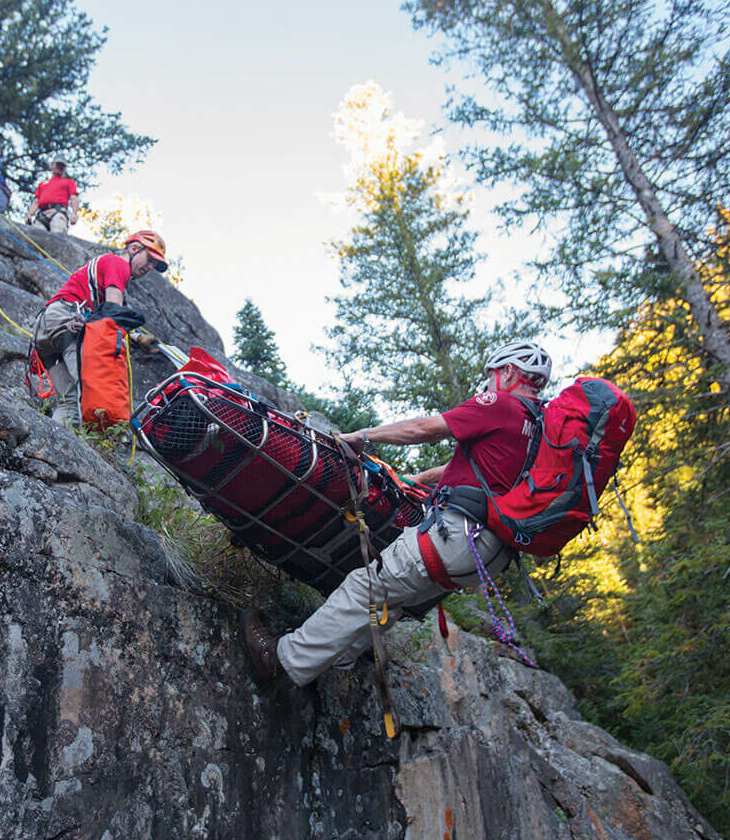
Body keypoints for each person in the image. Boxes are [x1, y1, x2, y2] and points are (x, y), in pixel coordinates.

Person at [242, 341, 554, 687]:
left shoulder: (500, 403)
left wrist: (361, 437)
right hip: (487, 556)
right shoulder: (538, 426)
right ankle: (340, 660)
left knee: (366, 587)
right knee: (394, 600)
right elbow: (481, 465)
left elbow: (425, 429)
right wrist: (420, 479)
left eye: (493, 375)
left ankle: (281, 660)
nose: (489, 384)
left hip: (456, 536)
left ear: (508, 371)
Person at [31, 231, 168, 427]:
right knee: (90, 392)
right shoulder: (118, 264)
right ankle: (91, 446)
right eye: (149, 259)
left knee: (70, 401)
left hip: (45, 332)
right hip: (66, 324)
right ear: (135, 248)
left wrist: (138, 338)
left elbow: (110, 314)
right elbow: (113, 313)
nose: (150, 267)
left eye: (155, 265)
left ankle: (50, 441)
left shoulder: (107, 266)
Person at [26, 159, 80, 234]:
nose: (60, 167)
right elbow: (36, 202)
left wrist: (74, 214)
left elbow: (74, 198)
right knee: (36, 238)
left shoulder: (68, 182)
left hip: (58, 212)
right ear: (52, 165)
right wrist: (30, 214)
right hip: (42, 215)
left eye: (62, 166)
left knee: (57, 235)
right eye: (58, 165)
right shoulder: (42, 184)